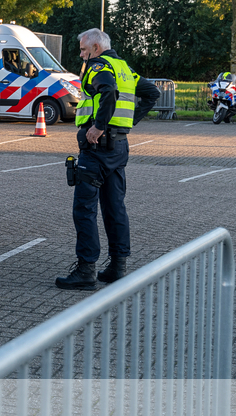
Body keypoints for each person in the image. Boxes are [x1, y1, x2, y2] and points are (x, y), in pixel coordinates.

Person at [56, 29, 160, 291]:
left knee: (85, 209)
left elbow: (108, 91)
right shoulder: (124, 67)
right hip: (119, 147)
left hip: (96, 148)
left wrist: (99, 126)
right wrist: (129, 122)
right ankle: (117, 266)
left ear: (95, 47)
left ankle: (86, 270)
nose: (81, 55)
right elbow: (152, 94)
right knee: (115, 207)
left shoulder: (97, 65)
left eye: (83, 49)